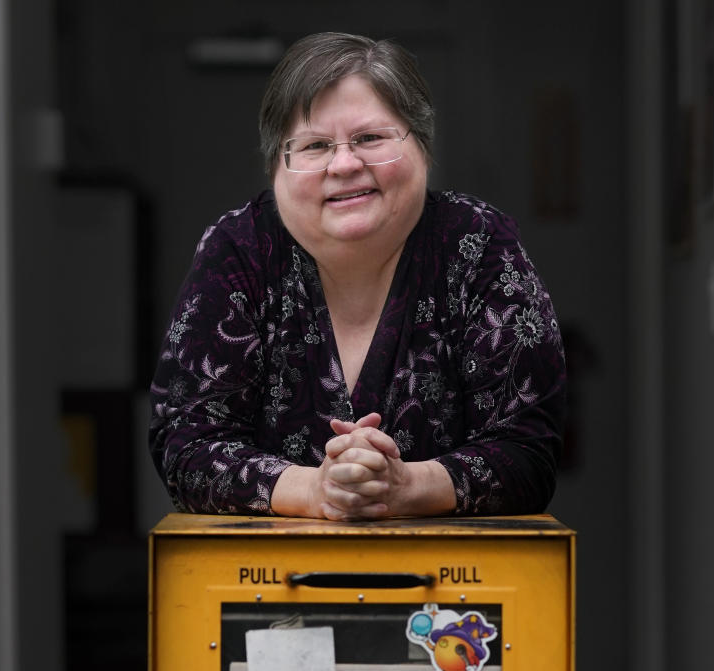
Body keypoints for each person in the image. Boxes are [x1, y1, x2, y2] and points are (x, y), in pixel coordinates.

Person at [149, 32, 566, 520]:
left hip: (454, 588)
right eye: (315, 145)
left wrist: (407, 486)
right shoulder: (238, 249)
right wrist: (315, 490)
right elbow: (185, 444)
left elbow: (528, 452)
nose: (344, 164)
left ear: (424, 148)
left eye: (370, 138)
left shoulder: (478, 246)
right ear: (274, 168)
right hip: (262, 585)